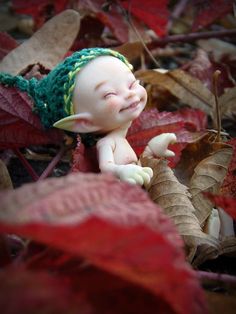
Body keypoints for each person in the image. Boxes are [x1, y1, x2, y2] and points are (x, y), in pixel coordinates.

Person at [0, 48, 176, 185]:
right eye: (109, 95)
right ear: (84, 123)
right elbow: (107, 168)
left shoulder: (119, 138)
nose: (130, 95)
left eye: (132, 83)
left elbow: (135, 161)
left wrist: (153, 151)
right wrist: (122, 172)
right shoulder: (106, 143)